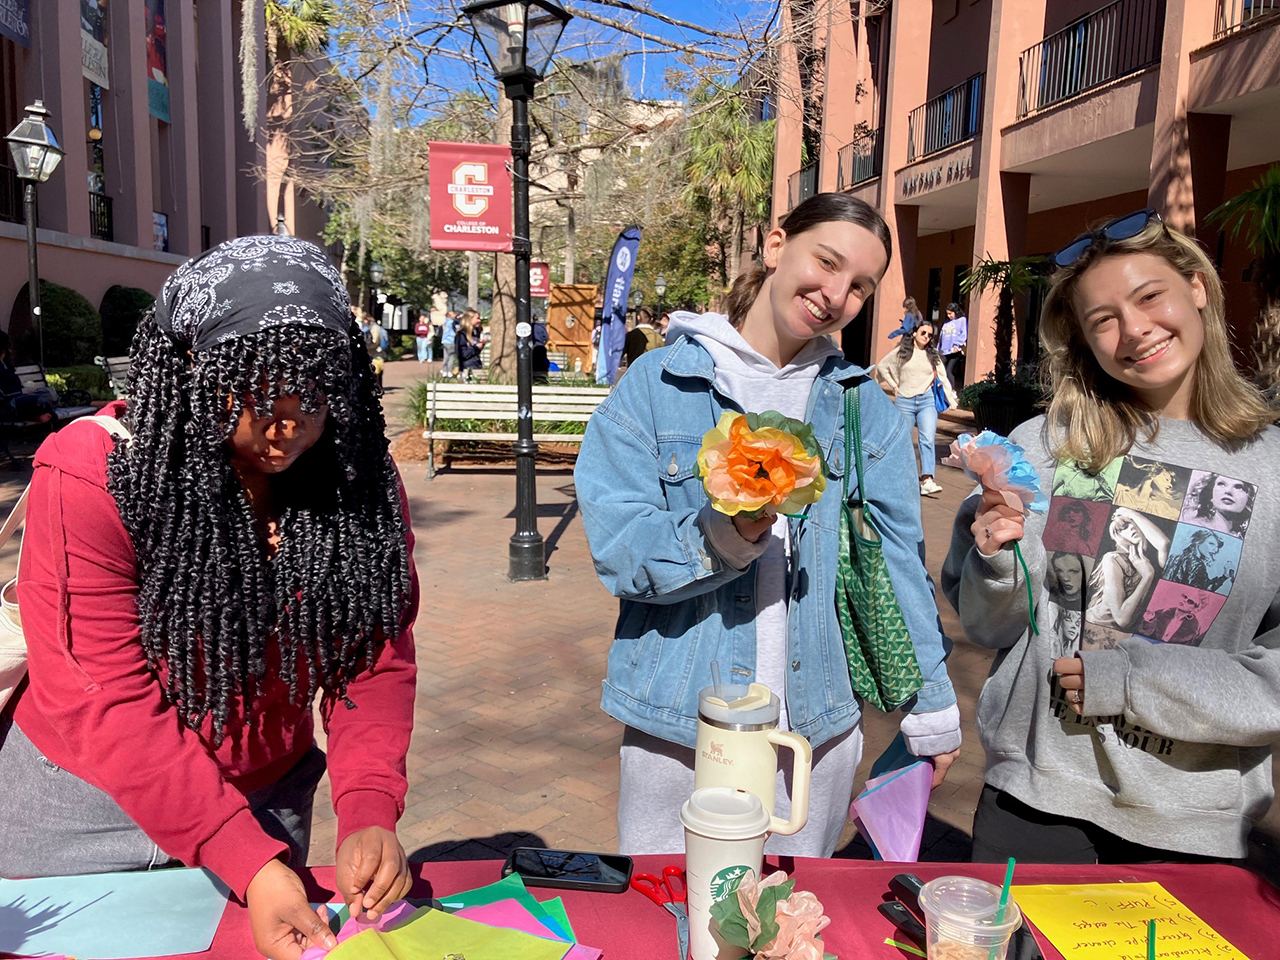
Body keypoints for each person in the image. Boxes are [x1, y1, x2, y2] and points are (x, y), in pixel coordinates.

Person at [0, 236, 420, 959]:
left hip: (269, 797)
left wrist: (368, 809)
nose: (289, 426)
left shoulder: (358, 477)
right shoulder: (95, 472)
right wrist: (243, 858)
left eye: (316, 395)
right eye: (258, 393)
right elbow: (102, 694)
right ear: (194, 368)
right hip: (81, 811)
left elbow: (372, 657)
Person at [576, 193, 961, 859]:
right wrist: (722, 536)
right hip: (682, 724)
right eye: (827, 262)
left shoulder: (860, 405)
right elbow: (618, 550)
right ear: (778, 246)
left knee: (791, 919)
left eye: (860, 286)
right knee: (676, 912)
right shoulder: (658, 384)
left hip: (816, 729)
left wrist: (933, 705)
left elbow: (898, 559)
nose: (836, 294)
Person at [942, 208, 1280, 865]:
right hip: (1035, 803)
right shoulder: (1041, 449)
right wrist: (997, 559)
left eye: (1149, 297)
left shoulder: (1271, 467)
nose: (1135, 331)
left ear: (1198, 288)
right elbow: (989, 625)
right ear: (1084, 341)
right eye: (1103, 320)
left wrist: (1129, 681)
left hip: (1195, 828)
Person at [876, 320, 958, 497]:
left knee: (927, 439)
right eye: (923, 333)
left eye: (929, 335)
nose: (926, 337)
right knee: (902, 441)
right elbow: (882, 367)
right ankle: (899, 478)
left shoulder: (932, 355)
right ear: (914, 333)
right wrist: (893, 385)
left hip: (926, 401)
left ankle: (927, 480)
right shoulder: (902, 352)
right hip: (904, 401)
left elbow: (943, 376)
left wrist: (951, 400)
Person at [0, 331, 56, 424]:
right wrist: (24, 391)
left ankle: (40, 414)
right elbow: (5, 394)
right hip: (10, 404)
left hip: (18, 398)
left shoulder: (5, 365)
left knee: (48, 392)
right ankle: (42, 415)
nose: (11, 350)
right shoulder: (2, 368)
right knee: (40, 399)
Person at [1180, 471, 1255, 536]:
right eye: (1221, 484)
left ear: (1248, 499)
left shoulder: (1243, 536)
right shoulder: (1192, 527)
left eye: (1238, 487)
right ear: (1210, 494)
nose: (1228, 491)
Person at [939, 302, 968, 389]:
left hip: (954, 351)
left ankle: (952, 390)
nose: (949, 316)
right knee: (940, 369)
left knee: (949, 371)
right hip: (944, 351)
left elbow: (964, 333)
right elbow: (941, 336)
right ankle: (942, 389)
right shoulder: (946, 323)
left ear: (956, 311)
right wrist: (938, 349)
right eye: (947, 314)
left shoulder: (962, 320)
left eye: (950, 313)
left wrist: (957, 345)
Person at [456, 311, 483, 382]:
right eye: (477, 318)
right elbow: (463, 354)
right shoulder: (461, 335)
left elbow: (475, 352)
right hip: (467, 369)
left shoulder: (474, 333)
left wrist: (481, 345)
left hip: (476, 366)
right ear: (470, 319)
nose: (479, 320)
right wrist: (476, 347)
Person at [440, 310, 459, 378]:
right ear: (450, 315)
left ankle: (444, 370)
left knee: (446, 356)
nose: (455, 315)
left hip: (444, 341)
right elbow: (457, 328)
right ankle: (449, 371)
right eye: (453, 314)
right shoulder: (452, 322)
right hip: (450, 340)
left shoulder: (445, 322)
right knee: (451, 357)